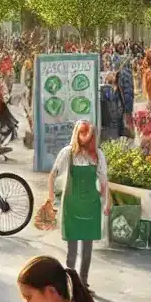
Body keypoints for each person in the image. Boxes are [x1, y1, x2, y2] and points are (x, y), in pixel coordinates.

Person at [46, 121, 107, 290]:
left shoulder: (98, 155)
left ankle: (83, 284)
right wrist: (51, 198)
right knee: (71, 251)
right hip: (71, 206)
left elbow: (103, 180)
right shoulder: (68, 153)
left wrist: (106, 201)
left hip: (91, 206)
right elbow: (52, 175)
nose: (85, 139)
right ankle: (70, 285)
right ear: (77, 134)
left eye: (88, 135)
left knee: (87, 251)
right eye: (82, 134)